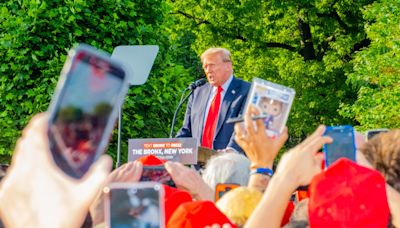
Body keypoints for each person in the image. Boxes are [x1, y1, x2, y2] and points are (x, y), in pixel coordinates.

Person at [176, 47, 250, 153]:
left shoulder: (246, 91)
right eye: (205, 66)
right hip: (197, 166)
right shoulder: (196, 92)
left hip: (230, 164)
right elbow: (186, 131)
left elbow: (245, 126)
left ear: (228, 66)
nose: (208, 70)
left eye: (212, 65)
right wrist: (172, 149)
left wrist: (231, 151)